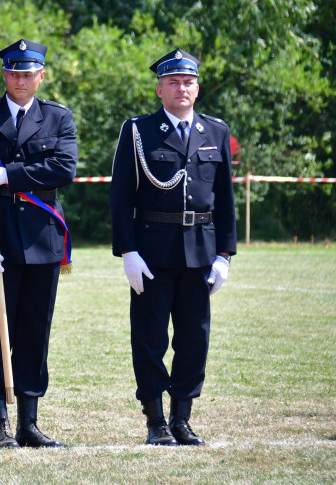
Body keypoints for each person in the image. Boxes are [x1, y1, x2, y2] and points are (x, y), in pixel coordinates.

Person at [110, 49, 236, 446]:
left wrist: (225, 255)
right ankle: (155, 421)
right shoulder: (138, 131)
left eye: (188, 82)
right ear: (159, 89)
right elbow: (120, 197)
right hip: (152, 252)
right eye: (173, 82)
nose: (182, 88)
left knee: (193, 338)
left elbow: (225, 198)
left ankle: (183, 417)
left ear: (196, 88)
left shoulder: (214, 132)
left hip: (200, 250)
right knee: (149, 339)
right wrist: (127, 252)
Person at [0, 39, 76, 449]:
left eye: (28, 74)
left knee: (33, 331)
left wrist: (9, 175)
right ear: (3, 75)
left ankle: (29, 421)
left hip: (42, 242)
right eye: (13, 73)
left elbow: (63, 168)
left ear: (41, 77)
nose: (20, 81)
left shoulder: (58, 117)